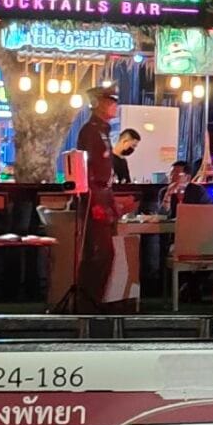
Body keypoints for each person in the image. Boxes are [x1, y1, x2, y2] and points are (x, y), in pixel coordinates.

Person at [70, 90, 124, 310]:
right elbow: (86, 170)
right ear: (98, 104)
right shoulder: (90, 132)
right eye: (110, 102)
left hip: (104, 195)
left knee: (104, 253)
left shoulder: (103, 131)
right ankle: (88, 303)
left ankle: (93, 301)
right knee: (99, 253)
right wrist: (94, 203)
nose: (114, 106)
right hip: (94, 197)